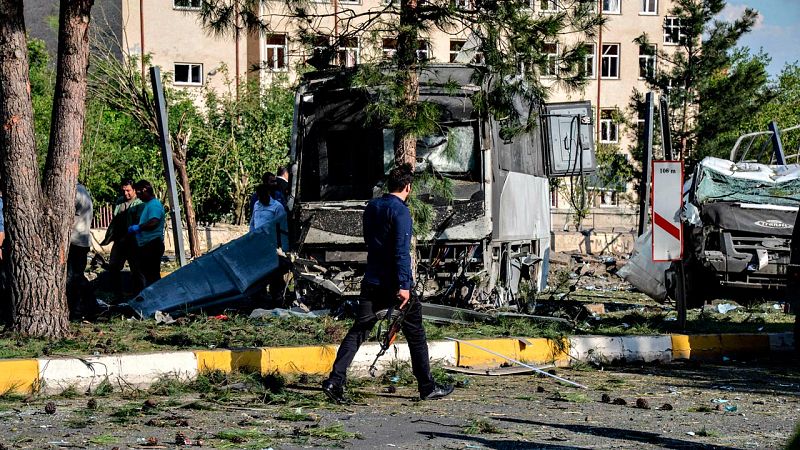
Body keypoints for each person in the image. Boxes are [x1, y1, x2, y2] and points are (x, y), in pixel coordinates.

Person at [322, 164, 453, 403]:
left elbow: (369, 241)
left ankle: (335, 380)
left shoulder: (372, 207)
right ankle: (427, 386)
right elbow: (402, 252)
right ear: (408, 187)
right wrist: (404, 286)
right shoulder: (401, 212)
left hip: (371, 279)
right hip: (394, 284)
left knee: (358, 331)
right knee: (415, 334)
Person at [100, 179, 143, 300]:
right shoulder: (119, 201)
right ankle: (117, 294)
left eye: (128, 191)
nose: (126, 194)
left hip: (134, 242)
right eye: (123, 191)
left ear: (134, 189)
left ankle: (138, 295)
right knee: (113, 267)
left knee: (136, 270)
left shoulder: (139, 202)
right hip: (119, 241)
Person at [250, 182, 290, 305]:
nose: (261, 198)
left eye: (263, 195)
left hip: (272, 244)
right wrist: (251, 237)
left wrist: (283, 246)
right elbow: (252, 223)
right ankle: (261, 296)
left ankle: (277, 297)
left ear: (268, 194)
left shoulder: (277, 207)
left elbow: (283, 227)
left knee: (274, 272)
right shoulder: (257, 205)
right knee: (259, 272)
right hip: (258, 243)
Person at [128, 180, 165, 289]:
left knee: (152, 276)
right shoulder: (149, 205)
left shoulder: (154, 205)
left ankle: (156, 298)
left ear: (145, 190)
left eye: (139, 193)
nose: (138, 197)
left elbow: (154, 221)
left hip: (152, 244)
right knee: (147, 274)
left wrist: (139, 227)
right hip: (147, 244)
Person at [67, 183, 94, 319]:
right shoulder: (83, 190)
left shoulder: (74, 191)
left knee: (73, 277)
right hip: (81, 241)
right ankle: (89, 305)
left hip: (75, 241)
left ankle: (79, 309)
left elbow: (64, 215)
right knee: (77, 276)